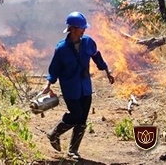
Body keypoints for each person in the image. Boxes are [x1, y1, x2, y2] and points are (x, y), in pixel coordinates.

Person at [40, 11, 115, 159]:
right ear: (72, 29)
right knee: (75, 115)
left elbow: (96, 56)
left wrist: (107, 70)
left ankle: (73, 151)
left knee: (82, 119)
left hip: (85, 87)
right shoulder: (61, 49)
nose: (84, 30)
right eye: (81, 28)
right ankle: (54, 133)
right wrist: (48, 84)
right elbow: (54, 69)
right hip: (70, 89)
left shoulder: (88, 42)